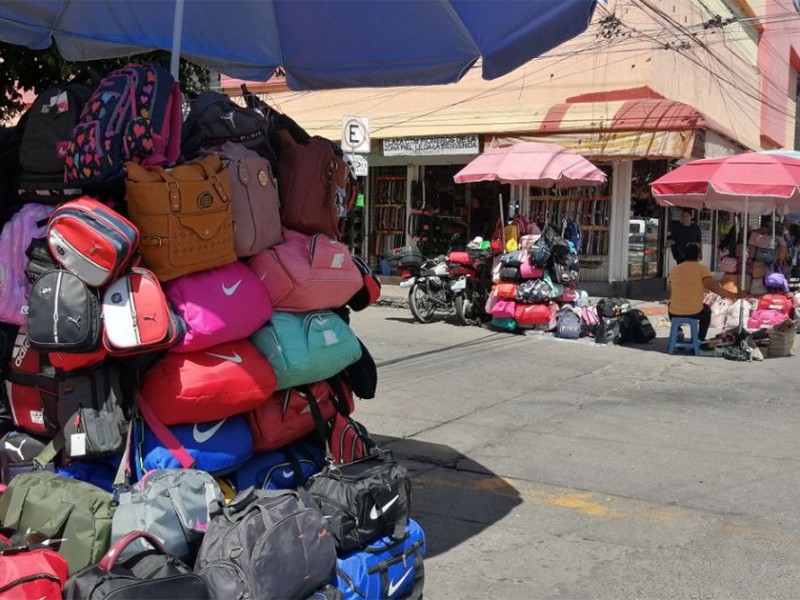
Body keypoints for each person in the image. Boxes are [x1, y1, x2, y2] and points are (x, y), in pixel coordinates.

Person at [667, 243, 742, 341]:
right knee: (706, 311)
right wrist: (735, 295)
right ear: (698, 255)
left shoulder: (675, 269)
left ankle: (678, 330)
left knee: (670, 305)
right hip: (694, 311)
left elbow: (671, 290)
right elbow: (714, 288)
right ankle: (699, 339)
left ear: (684, 255)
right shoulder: (702, 269)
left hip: (675, 312)